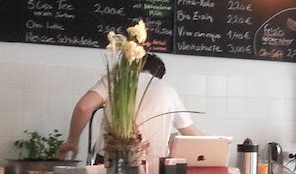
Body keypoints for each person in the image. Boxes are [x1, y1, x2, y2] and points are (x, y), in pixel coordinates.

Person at [57, 53, 200, 165]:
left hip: (110, 162)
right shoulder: (168, 90)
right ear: (159, 76)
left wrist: (72, 141)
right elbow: (191, 134)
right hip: (152, 167)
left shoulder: (116, 79)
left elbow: (83, 107)